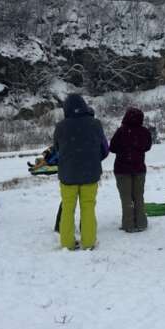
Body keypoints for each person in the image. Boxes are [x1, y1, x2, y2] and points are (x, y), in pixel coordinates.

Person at [53, 94, 109, 250]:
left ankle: (67, 243)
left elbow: (57, 149)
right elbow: (105, 149)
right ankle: (89, 242)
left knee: (67, 209)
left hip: (67, 175)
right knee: (88, 208)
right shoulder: (95, 124)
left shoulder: (61, 126)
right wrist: (93, 159)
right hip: (90, 174)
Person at [109, 107, 153, 233]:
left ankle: (129, 224)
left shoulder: (121, 132)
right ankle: (141, 222)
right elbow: (147, 146)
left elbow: (112, 148)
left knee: (126, 198)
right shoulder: (144, 132)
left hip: (122, 169)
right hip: (139, 168)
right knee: (139, 196)